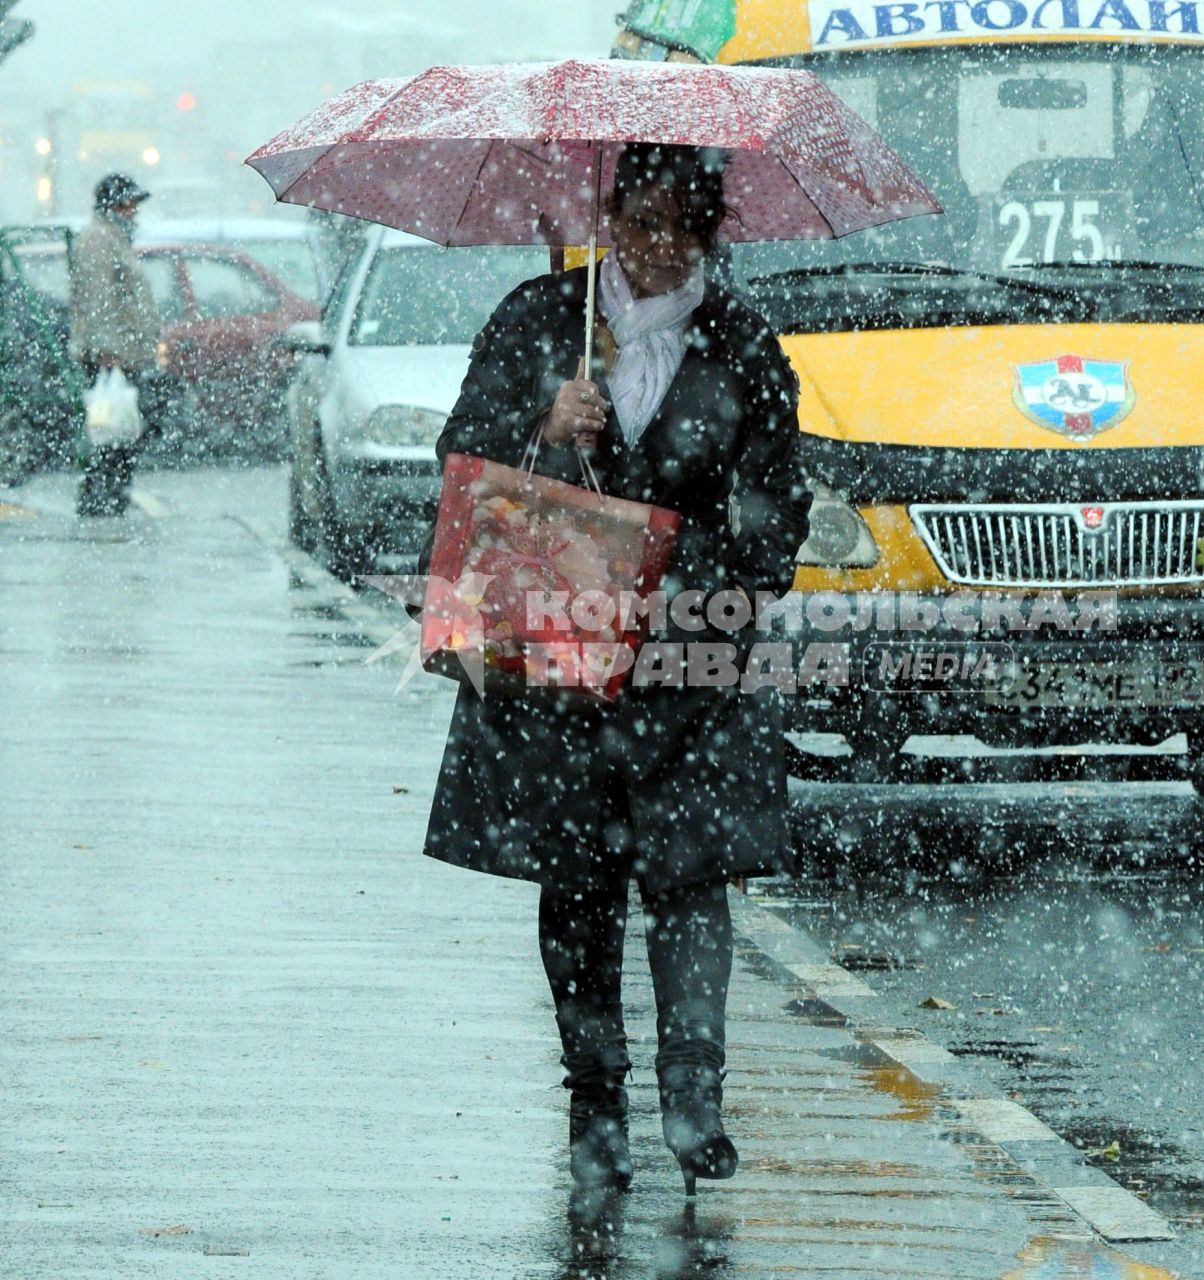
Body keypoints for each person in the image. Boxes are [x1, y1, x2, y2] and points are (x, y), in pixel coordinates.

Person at [423, 142, 812, 1205]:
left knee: (692, 881)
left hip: (690, 668)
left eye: (683, 228)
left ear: (712, 233)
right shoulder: (538, 319)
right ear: (610, 216)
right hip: (561, 664)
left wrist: (691, 574)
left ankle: (695, 1095)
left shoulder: (743, 344)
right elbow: (463, 459)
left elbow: (777, 514)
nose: (658, 248)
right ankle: (596, 1103)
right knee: (580, 888)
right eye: (640, 223)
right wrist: (542, 425)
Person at [69, 172, 163, 516]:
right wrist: (109, 350)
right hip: (110, 360)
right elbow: (98, 301)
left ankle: (111, 498)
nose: (133, 212)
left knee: (121, 433)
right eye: (128, 204)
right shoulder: (98, 241)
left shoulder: (114, 240)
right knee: (109, 434)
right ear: (111, 206)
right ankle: (101, 501)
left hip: (125, 357)